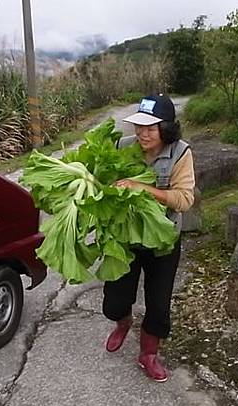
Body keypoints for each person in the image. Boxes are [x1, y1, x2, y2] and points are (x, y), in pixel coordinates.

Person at [103, 94, 195, 382]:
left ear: (166, 130)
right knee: (114, 301)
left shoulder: (181, 153)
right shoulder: (122, 147)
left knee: (158, 305)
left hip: (163, 240)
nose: (142, 133)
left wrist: (140, 188)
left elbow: (184, 199)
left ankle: (148, 354)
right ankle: (123, 323)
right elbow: (105, 182)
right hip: (126, 239)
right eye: (139, 126)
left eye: (150, 128)